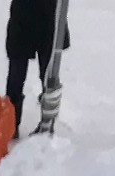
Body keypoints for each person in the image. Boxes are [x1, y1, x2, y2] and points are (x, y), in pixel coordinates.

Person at [6, 0, 70, 134]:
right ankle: (10, 125)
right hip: (24, 16)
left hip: (50, 18)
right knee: (16, 76)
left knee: (48, 75)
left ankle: (47, 124)